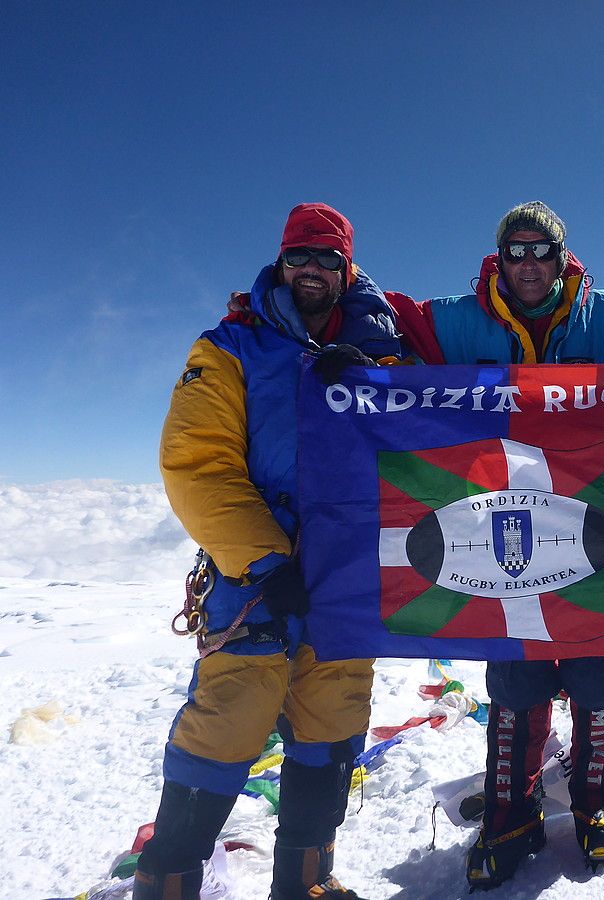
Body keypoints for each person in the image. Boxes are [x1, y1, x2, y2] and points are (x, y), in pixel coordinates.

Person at [136, 203, 416, 900]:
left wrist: (378, 381)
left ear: (347, 268)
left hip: (349, 572)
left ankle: (306, 882)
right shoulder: (231, 345)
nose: (312, 270)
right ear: (281, 263)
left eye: (327, 258)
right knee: (225, 727)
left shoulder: (389, 351)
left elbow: (432, 441)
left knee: (334, 723)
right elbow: (197, 464)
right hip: (255, 577)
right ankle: (167, 884)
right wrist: (266, 560)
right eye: (300, 257)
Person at [423, 202, 604, 890]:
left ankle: (597, 803)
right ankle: (510, 815)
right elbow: (389, 318)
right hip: (503, 530)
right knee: (516, 677)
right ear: (498, 258)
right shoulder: (464, 320)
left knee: (601, 673)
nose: (528, 264)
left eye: (540, 250)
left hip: (595, 522)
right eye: (514, 251)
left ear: (561, 254)